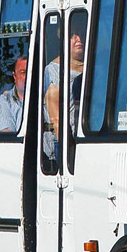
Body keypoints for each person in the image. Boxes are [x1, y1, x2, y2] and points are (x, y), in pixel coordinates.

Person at [43, 28, 85, 156]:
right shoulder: (54, 70)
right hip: (65, 144)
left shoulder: (93, 65)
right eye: (72, 35)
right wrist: (70, 152)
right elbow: (56, 118)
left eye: (80, 34)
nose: (78, 39)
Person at [0, 56, 27, 133]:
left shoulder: (50, 96)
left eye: (33, 72)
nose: (29, 76)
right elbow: (9, 139)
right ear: (15, 76)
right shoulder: (4, 103)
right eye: (24, 73)